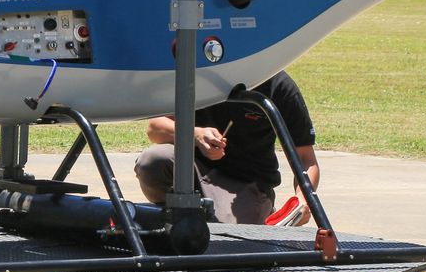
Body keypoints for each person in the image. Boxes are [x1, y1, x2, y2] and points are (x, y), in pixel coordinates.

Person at [133, 71, 320, 225]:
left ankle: (257, 208)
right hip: (193, 172)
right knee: (152, 161)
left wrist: (304, 200)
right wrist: (196, 134)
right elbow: (155, 128)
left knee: (232, 238)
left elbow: (306, 159)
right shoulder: (196, 74)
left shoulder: (278, 86)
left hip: (247, 182)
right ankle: (184, 214)